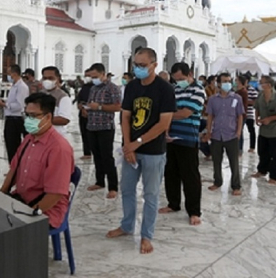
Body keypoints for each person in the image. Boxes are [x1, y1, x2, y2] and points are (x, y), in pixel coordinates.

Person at [106, 48, 175, 254]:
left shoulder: (165, 89)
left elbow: (164, 124)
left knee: (151, 194)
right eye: (135, 65)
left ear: (154, 65)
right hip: (131, 149)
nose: (138, 69)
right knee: (127, 190)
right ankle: (127, 225)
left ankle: (146, 235)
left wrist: (137, 143)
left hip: (153, 151)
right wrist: (128, 145)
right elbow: (125, 116)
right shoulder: (132, 86)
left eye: (142, 65)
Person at [0, 93, 75, 229]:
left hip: (45, 209)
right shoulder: (29, 139)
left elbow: (55, 194)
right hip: (22, 200)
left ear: (48, 117)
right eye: (26, 115)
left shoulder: (59, 148)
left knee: (1, 232)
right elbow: (14, 170)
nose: (28, 120)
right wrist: (1, 196)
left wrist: (29, 215)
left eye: (33, 116)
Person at [159, 62, 205, 226]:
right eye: (176, 79)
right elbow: (169, 111)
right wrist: (165, 128)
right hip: (171, 138)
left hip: (188, 139)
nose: (179, 82)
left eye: (182, 78)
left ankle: (194, 211)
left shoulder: (198, 90)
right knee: (171, 173)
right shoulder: (175, 90)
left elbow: (185, 113)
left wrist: (168, 116)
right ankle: (173, 203)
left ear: (190, 74)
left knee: (190, 176)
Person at [205, 72, 245, 195]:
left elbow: (240, 116)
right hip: (217, 134)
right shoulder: (212, 100)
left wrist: (238, 131)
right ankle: (217, 181)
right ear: (219, 83)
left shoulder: (236, 98)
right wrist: (208, 131)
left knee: (234, 162)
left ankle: (236, 186)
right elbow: (210, 116)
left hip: (231, 134)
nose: (227, 83)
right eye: (224, 81)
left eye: (229, 81)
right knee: (216, 160)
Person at [86, 63, 122, 199]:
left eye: (95, 76)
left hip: (105, 127)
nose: (93, 79)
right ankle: (99, 181)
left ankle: (113, 187)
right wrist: (86, 108)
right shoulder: (93, 88)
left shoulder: (112, 88)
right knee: (97, 156)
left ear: (103, 74)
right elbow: (91, 103)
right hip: (92, 126)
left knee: (107, 157)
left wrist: (99, 107)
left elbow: (118, 106)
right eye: (91, 76)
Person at [252, 75, 276, 184]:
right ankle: (262, 170)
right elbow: (257, 108)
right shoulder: (260, 95)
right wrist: (256, 118)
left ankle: (274, 176)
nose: (260, 84)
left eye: (262, 82)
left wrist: (270, 118)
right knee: (262, 152)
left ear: (268, 85)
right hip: (263, 130)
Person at [0, 64, 29, 163]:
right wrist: (2, 102)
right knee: (10, 145)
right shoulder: (14, 86)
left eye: (9, 74)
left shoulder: (22, 87)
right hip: (10, 118)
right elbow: (12, 101)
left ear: (14, 74)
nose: (8, 76)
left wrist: (4, 104)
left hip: (16, 119)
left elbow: (19, 105)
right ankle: (12, 168)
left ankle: (16, 169)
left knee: (14, 145)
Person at [41, 66, 72, 140]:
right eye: (45, 78)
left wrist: (42, 120)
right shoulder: (40, 94)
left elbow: (64, 119)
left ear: (57, 78)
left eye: (50, 78)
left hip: (56, 136)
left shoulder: (63, 97)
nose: (47, 81)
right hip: (41, 135)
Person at [76, 69, 94, 160]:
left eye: (89, 75)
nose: (87, 78)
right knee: (84, 133)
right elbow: (80, 99)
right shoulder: (84, 87)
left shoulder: (96, 87)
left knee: (93, 135)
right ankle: (87, 152)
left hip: (93, 114)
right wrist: (81, 107)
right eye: (85, 75)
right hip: (83, 113)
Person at [235, 75, 249, 155]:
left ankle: (239, 149)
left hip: (241, 115)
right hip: (238, 115)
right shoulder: (239, 91)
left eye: (237, 80)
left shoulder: (242, 92)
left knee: (239, 131)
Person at [245, 76, 259, 153]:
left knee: (251, 130)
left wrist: (247, 102)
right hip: (240, 114)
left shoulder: (252, 90)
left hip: (249, 113)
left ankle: (252, 147)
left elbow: (256, 101)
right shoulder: (238, 90)